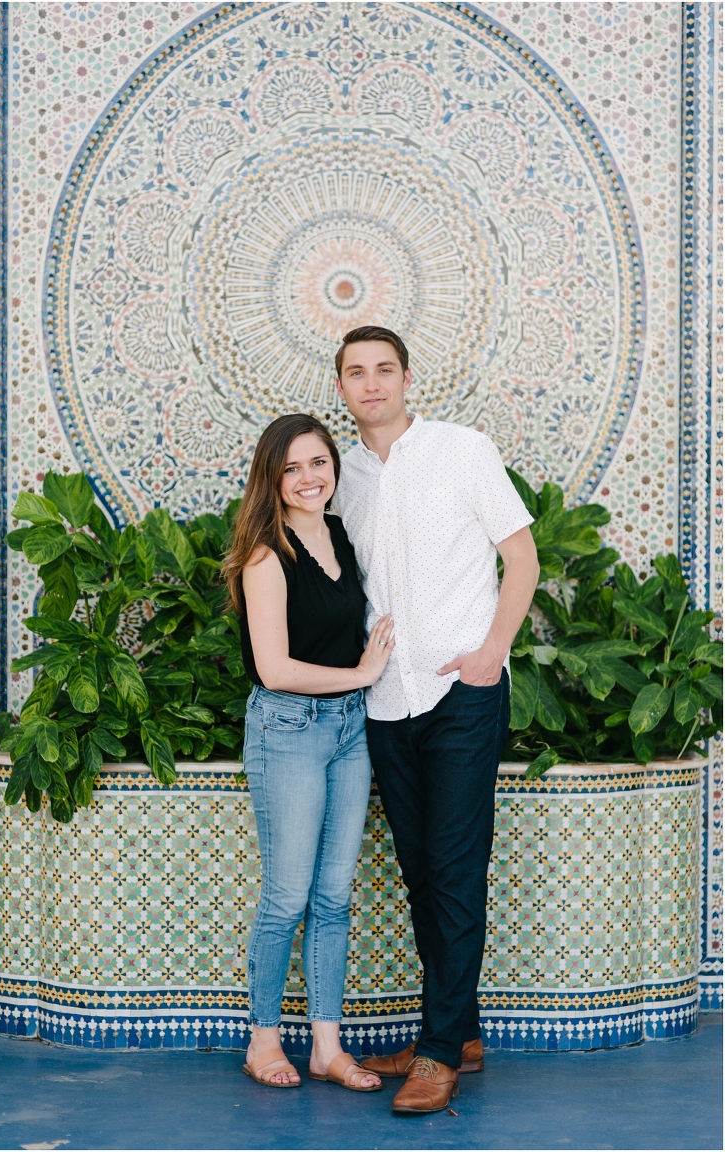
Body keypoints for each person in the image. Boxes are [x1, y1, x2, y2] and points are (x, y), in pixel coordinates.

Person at [331, 326, 540, 1115]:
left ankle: (439, 1052)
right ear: (343, 387)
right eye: (357, 373)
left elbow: (521, 558)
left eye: (385, 369)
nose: (372, 383)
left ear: (407, 378)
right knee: (421, 870)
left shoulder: (463, 450)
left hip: (462, 691)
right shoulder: (341, 474)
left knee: (454, 868)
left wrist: (492, 652)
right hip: (388, 700)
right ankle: (463, 1032)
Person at [223, 413, 395, 1092]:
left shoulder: (341, 537)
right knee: (287, 896)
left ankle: (327, 1047)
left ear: (334, 466)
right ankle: (264, 1041)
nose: (306, 478)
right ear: (272, 478)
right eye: (291, 468)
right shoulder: (267, 555)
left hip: (349, 732)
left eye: (317, 463)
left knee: (334, 897)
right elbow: (275, 668)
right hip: (289, 730)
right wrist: (361, 673)